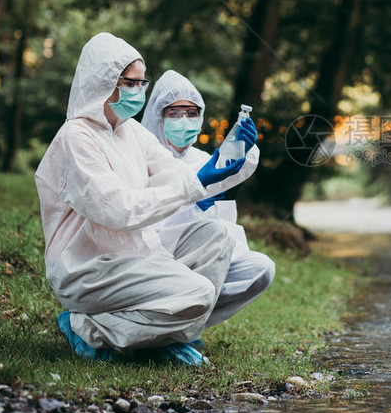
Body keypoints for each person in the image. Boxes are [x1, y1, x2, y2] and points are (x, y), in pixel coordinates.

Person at [34, 32, 251, 366]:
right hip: (90, 267)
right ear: (103, 81)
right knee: (200, 293)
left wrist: (231, 154)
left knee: (217, 236)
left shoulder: (129, 131)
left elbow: (176, 173)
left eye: (141, 83)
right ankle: (88, 327)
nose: (139, 91)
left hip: (136, 255)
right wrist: (195, 182)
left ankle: (166, 339)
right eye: (130, 83)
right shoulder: (76, 139)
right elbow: (119, 210)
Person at [141, 70, 275, 327]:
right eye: (174, 113)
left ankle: (187, 324)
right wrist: (192, 202)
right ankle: (170, 332)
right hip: (159, 258)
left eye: (191, 113)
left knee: (261, 268)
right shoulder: (145, 157)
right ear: (159, 116)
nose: (184, 120)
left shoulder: (204, 160)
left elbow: (223, 224)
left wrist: (243, 151)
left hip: (204, 256)